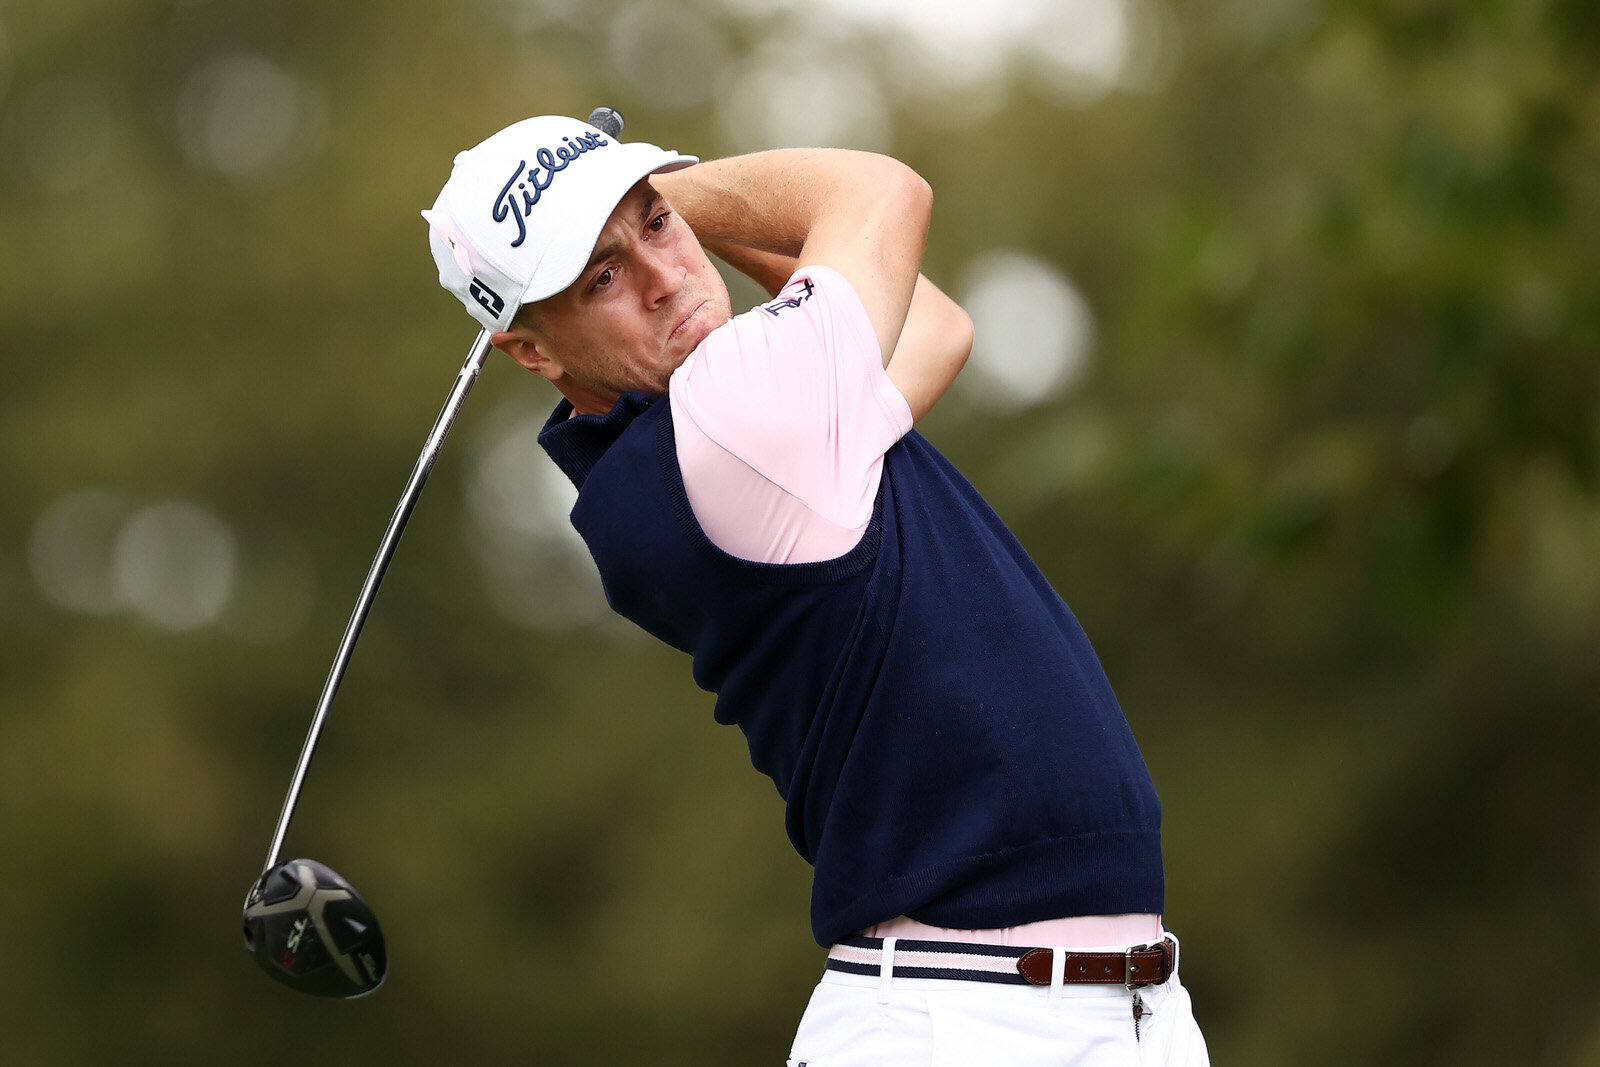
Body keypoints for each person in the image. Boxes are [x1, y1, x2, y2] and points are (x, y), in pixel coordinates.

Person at [422, 113, 1208, 1065]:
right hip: (963, 1025)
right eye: (600, 277)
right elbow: (882, 193)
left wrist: (615, 208)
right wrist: (668, 192)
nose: (664, 276)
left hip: (1104, 1009)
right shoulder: (734, 414)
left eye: (657, 231)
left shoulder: (719, 439)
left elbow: (936, 328)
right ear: (533, 351)